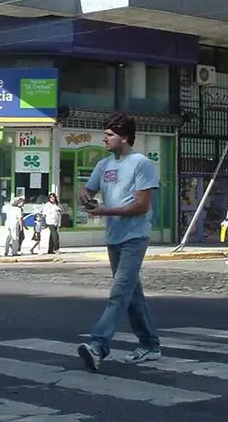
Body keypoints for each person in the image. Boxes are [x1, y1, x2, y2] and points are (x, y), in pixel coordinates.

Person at [76, 113, 161, 372]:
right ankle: (149, 344)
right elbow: (89, 189)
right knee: (132, 294)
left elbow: (142, 205)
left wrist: (106, 211)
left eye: (110, 134)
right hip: (113, 237)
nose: (104, 138)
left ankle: (98, 346)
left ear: (124, 138)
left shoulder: (141, 164)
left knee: (119, 293)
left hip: (135, 236)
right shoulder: (104, 165)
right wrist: (84, 194)